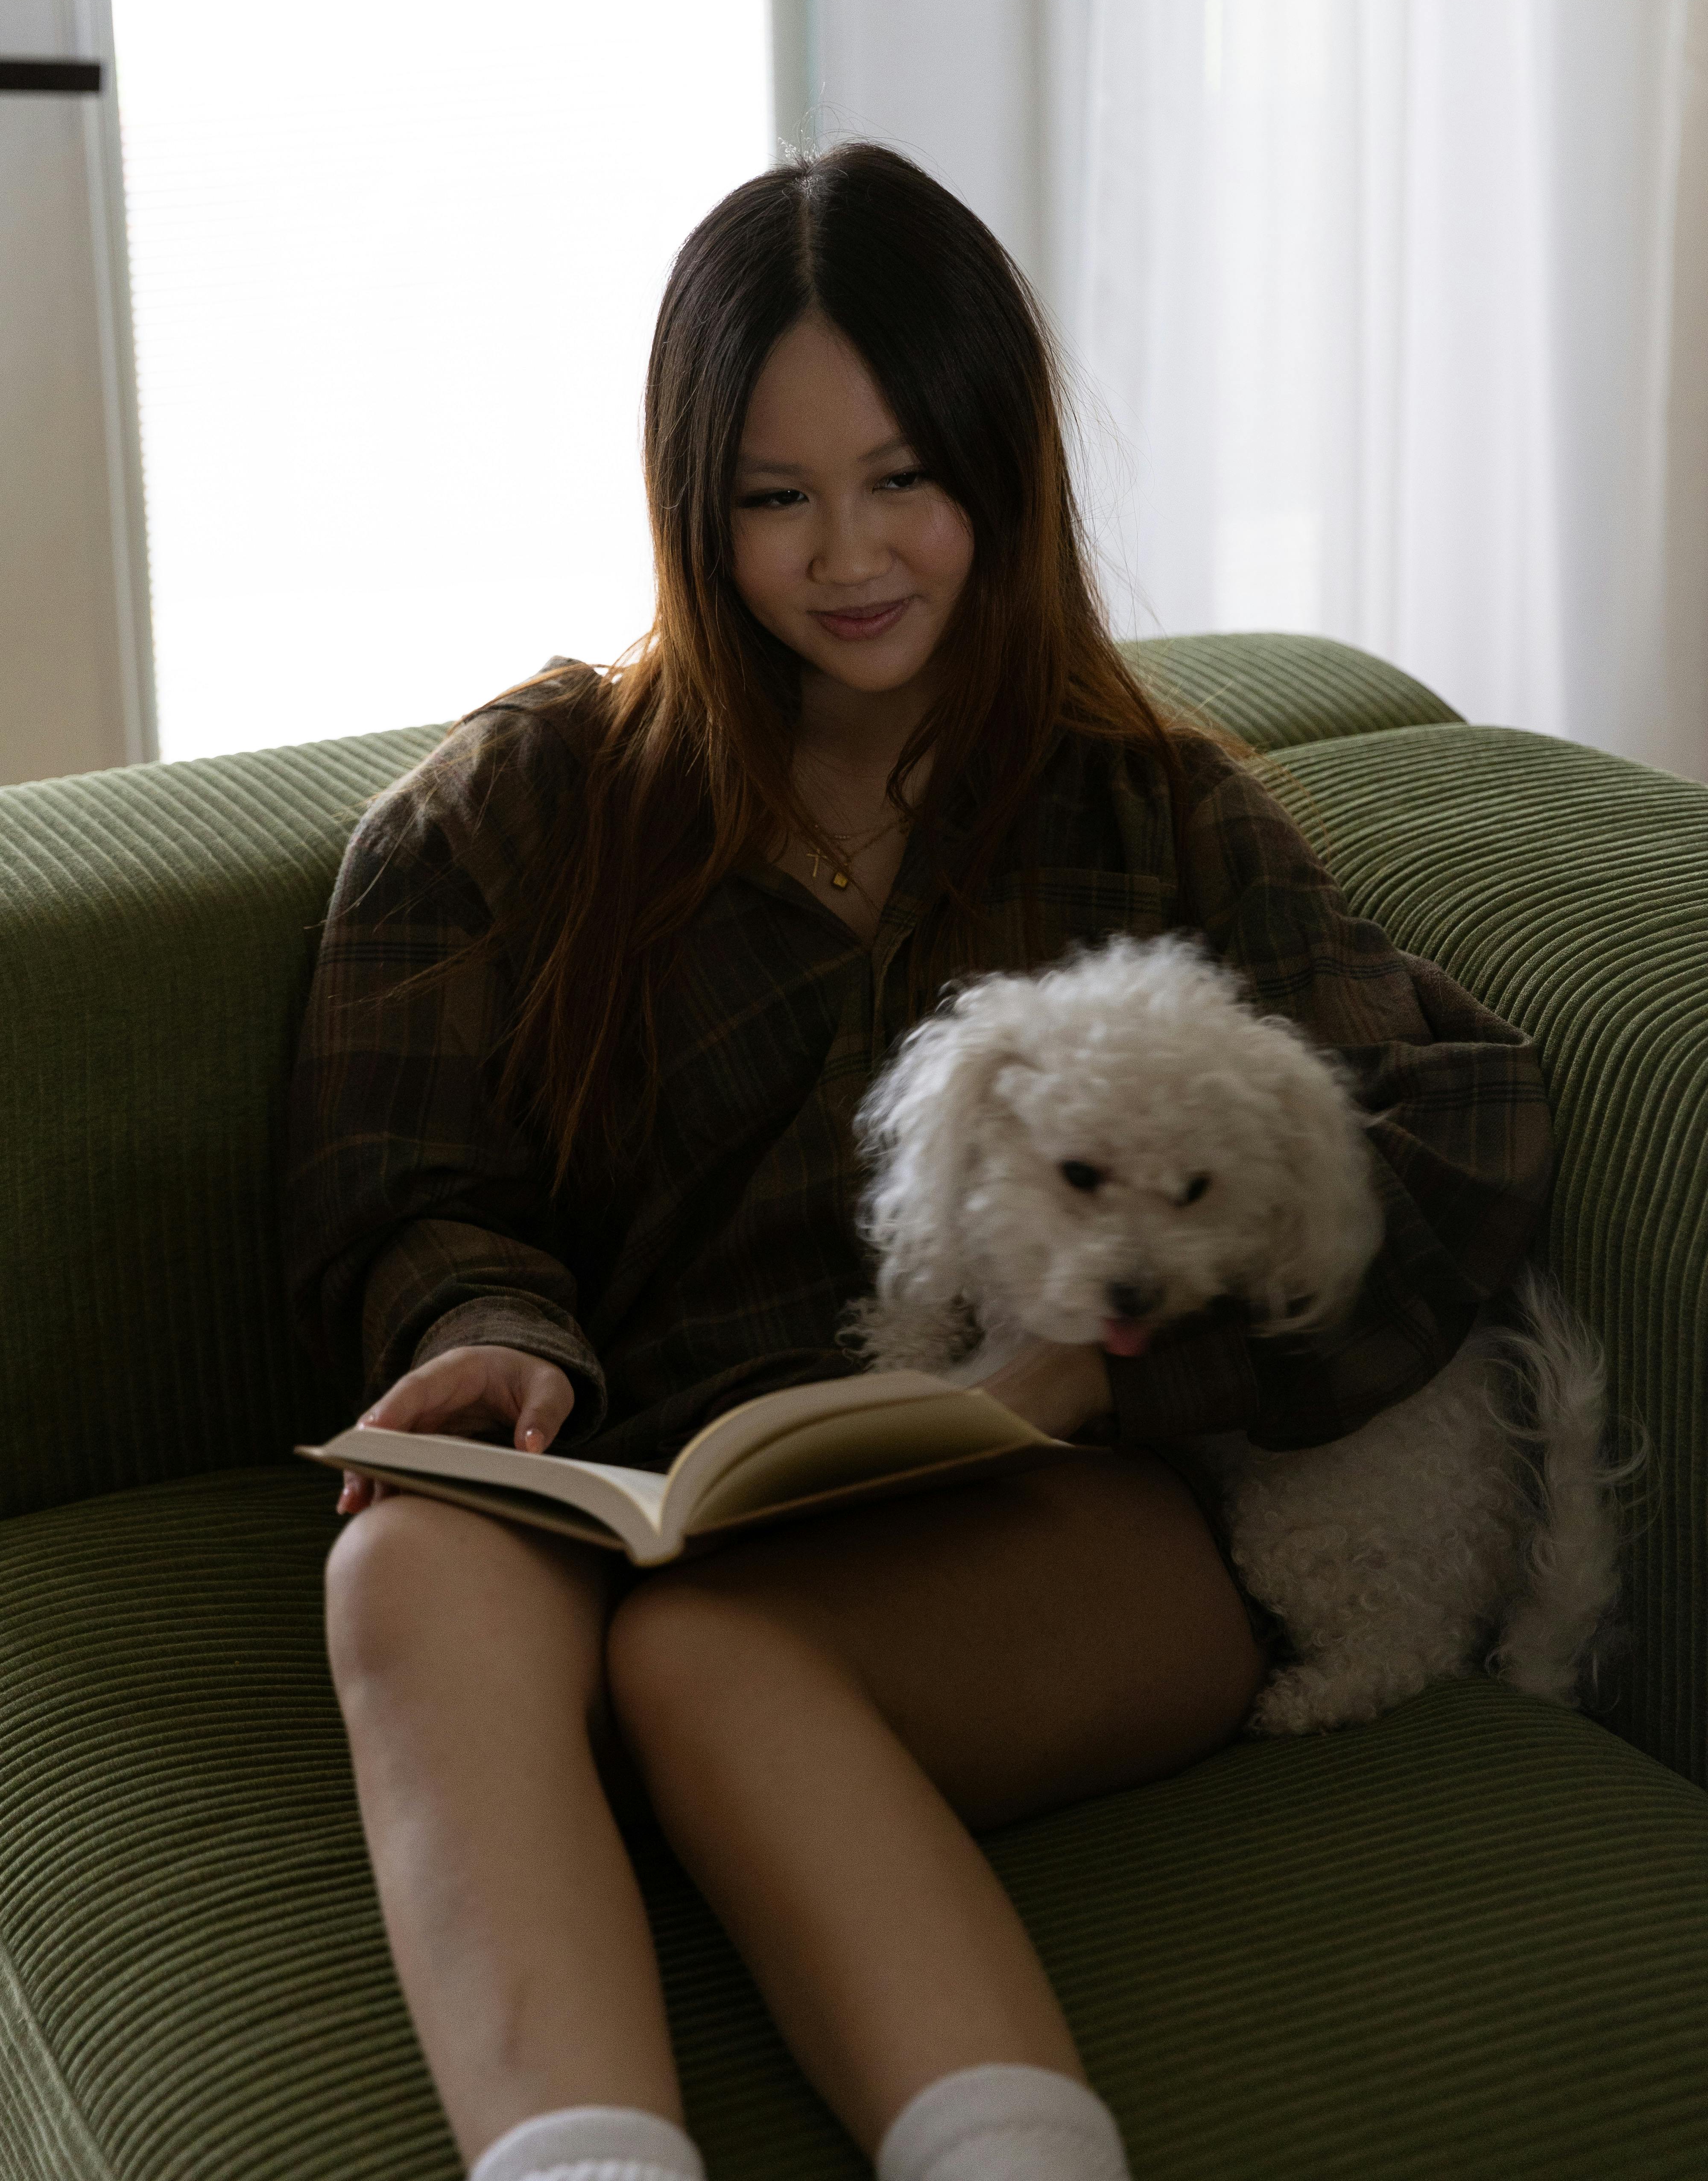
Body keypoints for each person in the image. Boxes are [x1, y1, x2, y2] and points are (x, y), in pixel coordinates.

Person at [287, 144, 1553, 2181]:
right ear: (693, 507)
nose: (846, 553)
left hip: (1047, 1518)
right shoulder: (510, 816)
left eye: (906, 478)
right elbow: (402, 1182)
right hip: (645, 1483)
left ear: (1003, 470)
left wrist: (1110, 1371)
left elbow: (1455, 1126)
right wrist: (478, 1328)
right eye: (774, 497)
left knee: (712, 1661)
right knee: (402, 1559)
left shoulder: (1158, 812)